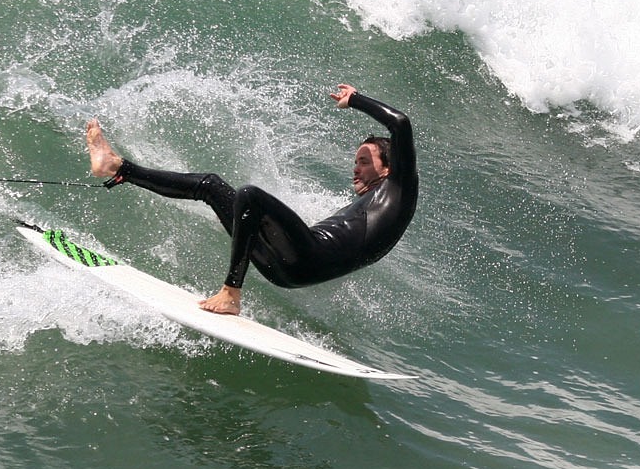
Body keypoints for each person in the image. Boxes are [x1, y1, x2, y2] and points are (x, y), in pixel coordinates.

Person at [85, 83, 418, 315]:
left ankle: (231, 293)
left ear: (389, 169)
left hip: (308, 258)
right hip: (286, 269)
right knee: (211, 186)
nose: (355, 168)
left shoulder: (399, 189)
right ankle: (117, 167)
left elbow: (400, 124)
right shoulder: (373, 204)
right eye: (355, 160)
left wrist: (355, 99)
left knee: (251, 196)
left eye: (364, 161)